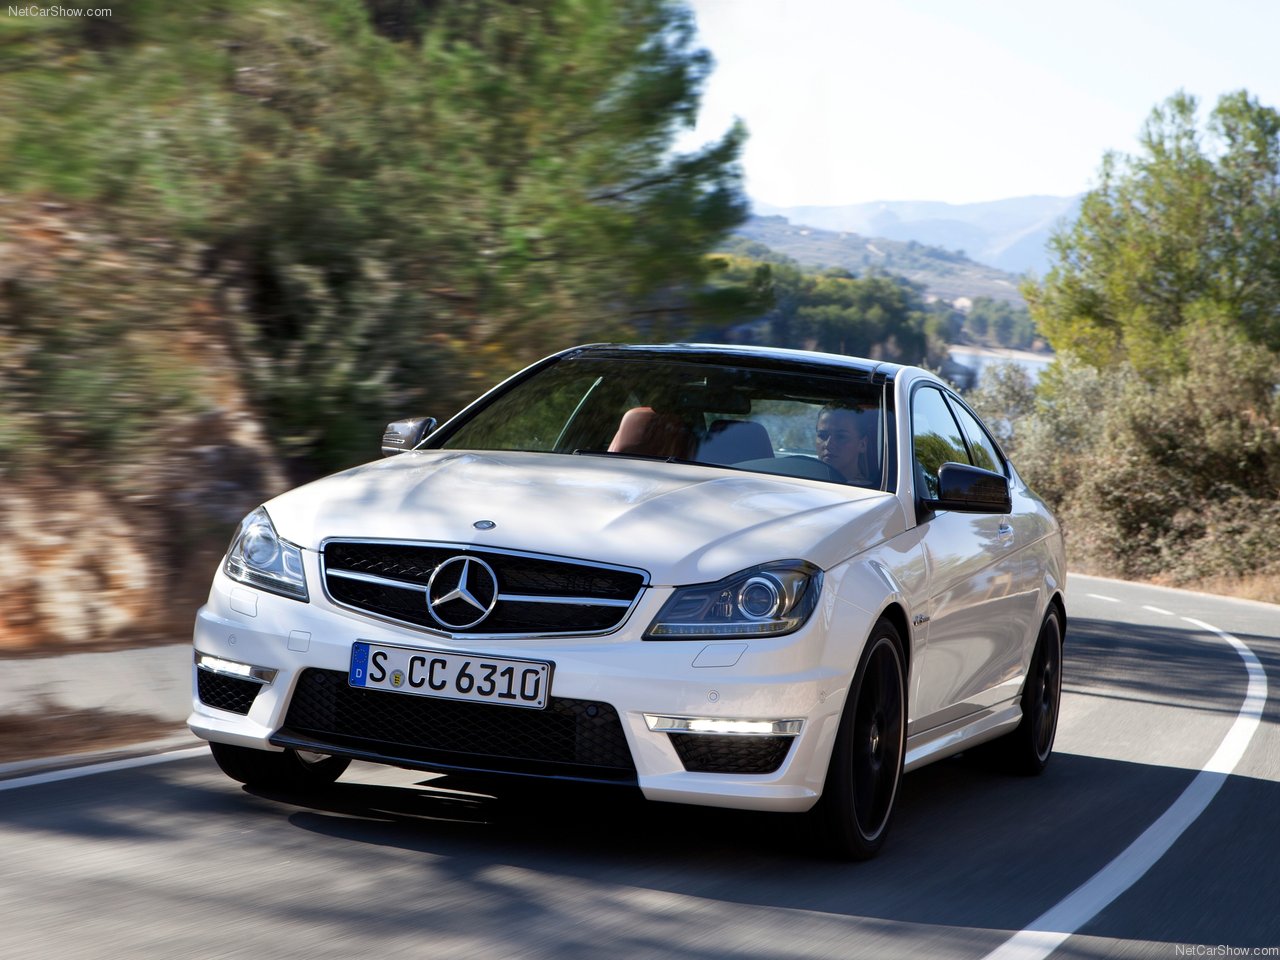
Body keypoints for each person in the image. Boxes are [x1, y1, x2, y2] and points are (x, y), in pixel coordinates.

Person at [816, 404, 870, 483]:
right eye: (822, 435)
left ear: (862, 444)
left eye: (840, 437)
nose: (828, 444)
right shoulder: (802, 480)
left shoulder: (871, 492)